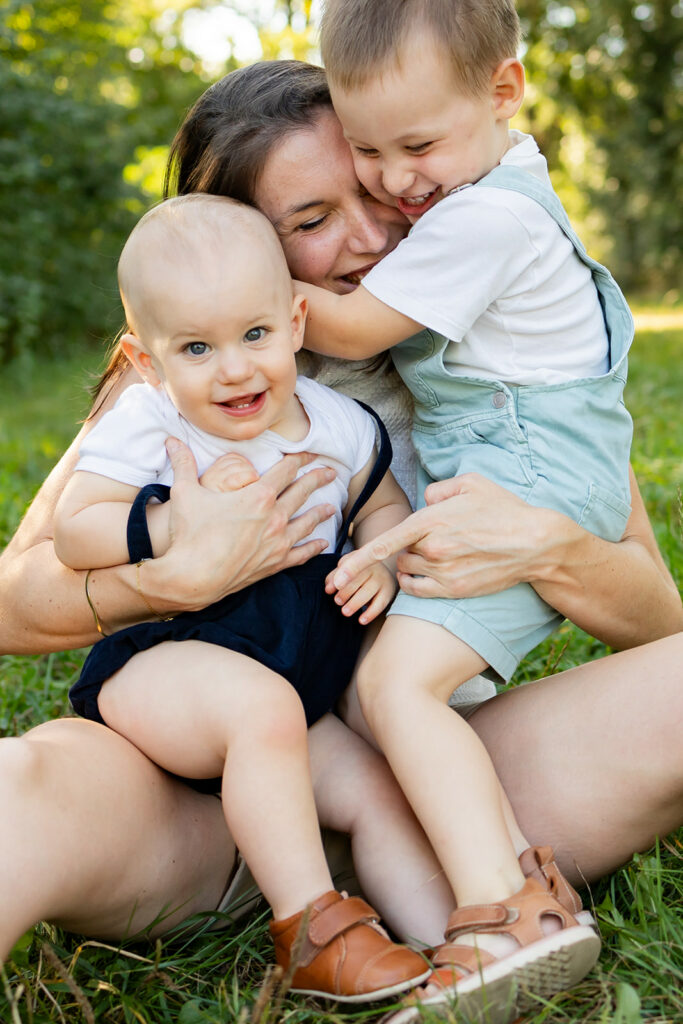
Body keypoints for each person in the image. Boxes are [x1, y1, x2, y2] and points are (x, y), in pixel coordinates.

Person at [0, 59, 681, 988]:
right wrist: (166, 575)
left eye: (379, 191)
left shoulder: (514, 358)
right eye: (313, 222)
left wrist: (554, 549)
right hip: (197, 797)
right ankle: (310, 899)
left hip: (450, 780)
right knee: (15, 795)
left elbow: (657, 622)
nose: (371, 238)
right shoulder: (189, 381)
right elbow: (13, 603)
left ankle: (470, 918)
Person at [285, 1, 629, 1015]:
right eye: (365, 151)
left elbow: (349, 327)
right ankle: (506, 877)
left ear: (503, 91)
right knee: (390, 677)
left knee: (397, 687)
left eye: (417, 144)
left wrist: (230, 282)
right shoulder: (487, 193)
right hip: (512, 470)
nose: (394, 180)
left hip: (528, 481)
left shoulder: (485, 217)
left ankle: (503, 910)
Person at [51, 193, 430, 1002]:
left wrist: (383, 563)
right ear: (149, 362)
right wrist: (168, 520)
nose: (233, 367)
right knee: (259, 708)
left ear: (296, 321)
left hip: (295, 695)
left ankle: (459, 946)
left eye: (254, 334)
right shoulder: (152, 423)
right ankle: (311, 932)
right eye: (195, 347)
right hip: (170, 668)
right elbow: (74, 530)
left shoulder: (340, 427)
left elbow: (384, 510)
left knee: (372, 789)